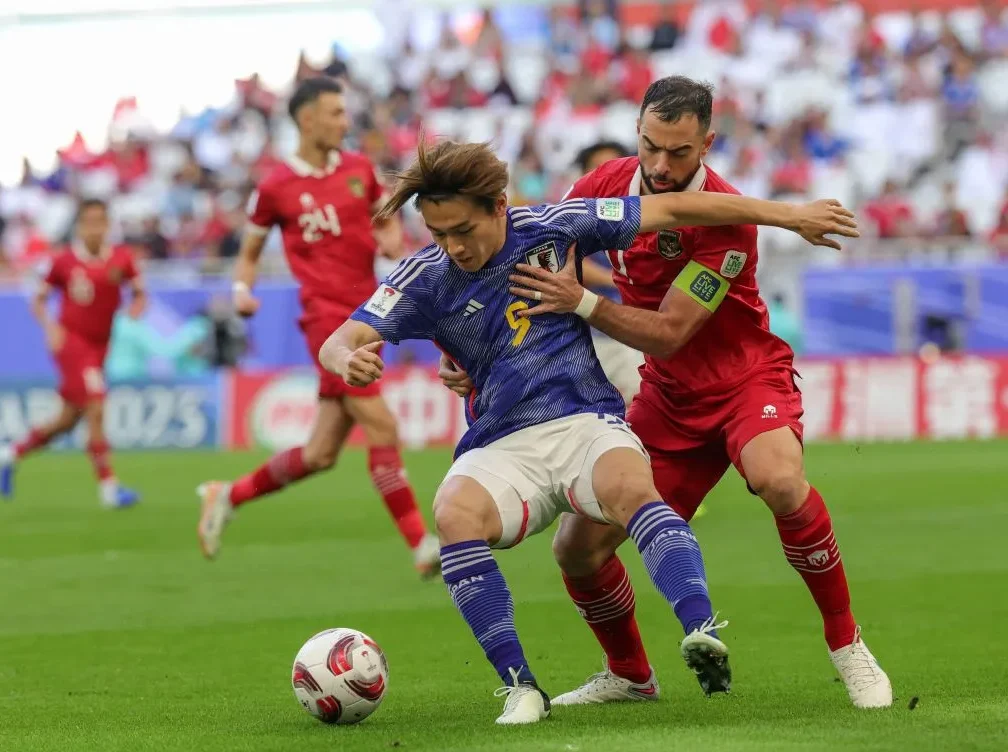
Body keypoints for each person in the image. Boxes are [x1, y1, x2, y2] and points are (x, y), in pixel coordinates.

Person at [319, 137, 858, 724]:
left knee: (632, 486)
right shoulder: (424, 276)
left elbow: (677, 208)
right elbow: (340, 338)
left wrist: (788, 215)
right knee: (453, 514)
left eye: (463, 230)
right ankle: (521, 687)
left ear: (499, 206)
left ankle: (701, 629)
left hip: (585, 422)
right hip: (501, 443)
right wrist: (347, 359)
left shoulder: (554, 227)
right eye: (438, 232)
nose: (454, 247)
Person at [476, 75, 891, 709]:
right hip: (668, 400)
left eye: (679, 152)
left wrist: (581, 300)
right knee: (577, 550)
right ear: (637, 132)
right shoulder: (605, 185)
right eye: (651, 146)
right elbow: (534, 256)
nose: (661, 166)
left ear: (707, 144)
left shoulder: (727, 221)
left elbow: (670, 334)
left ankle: (847, 644)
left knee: (780, 481)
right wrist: (472, 352)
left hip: (745, 381)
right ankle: (630, 675)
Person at [196, 77, 439, 576]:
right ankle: (421, 544)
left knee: (321, 452)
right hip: (326, 321)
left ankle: (228, 494)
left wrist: (392, 240)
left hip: (370, 314)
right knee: (383, 425)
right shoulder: (275, 187)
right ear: (307, 119)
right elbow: (249, 255)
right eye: (335, 113)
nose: (344, 122)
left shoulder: (358, 169)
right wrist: (242, 291)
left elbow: (384, 219)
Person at [0, 199, 144, 508]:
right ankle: (109, 488)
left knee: (67, 420)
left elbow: (139, 292)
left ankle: (9, 455)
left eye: (100, 221)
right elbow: (38, 300)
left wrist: (135, 308)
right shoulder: (63, 261)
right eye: (89, 222)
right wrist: (50, 328)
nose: (95, 228)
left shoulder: (122, 258)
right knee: (96, 404)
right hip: (73, 343)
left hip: (101, 345)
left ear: (108, 225)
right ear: (79, 226)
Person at [574, 141, 647, 405]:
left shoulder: (642, 218)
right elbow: (570, 266)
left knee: (638, 405)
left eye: (613, 169)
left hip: (632, 338)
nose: (606, 177)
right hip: (585, 340)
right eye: (597, 169)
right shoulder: (572, 219)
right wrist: (620, 281)